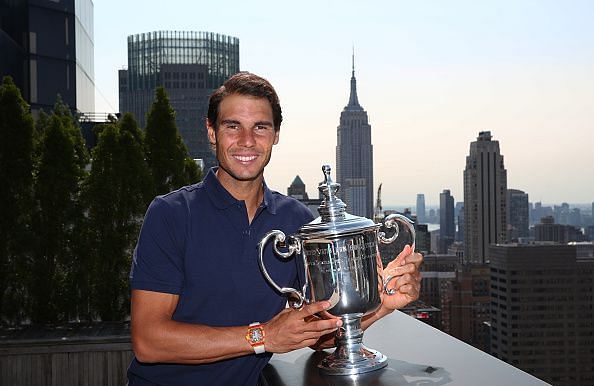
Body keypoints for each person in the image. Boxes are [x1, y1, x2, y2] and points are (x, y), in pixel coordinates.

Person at [127, 72, 423, 385]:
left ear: (276, 135)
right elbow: (149, 341)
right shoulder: (171, 213)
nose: (247, 141)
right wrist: (263, 337)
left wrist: (383, 304)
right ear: (211, 132)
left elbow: (317, 334)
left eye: (260, 127)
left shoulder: (296, 221)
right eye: (232, 126)